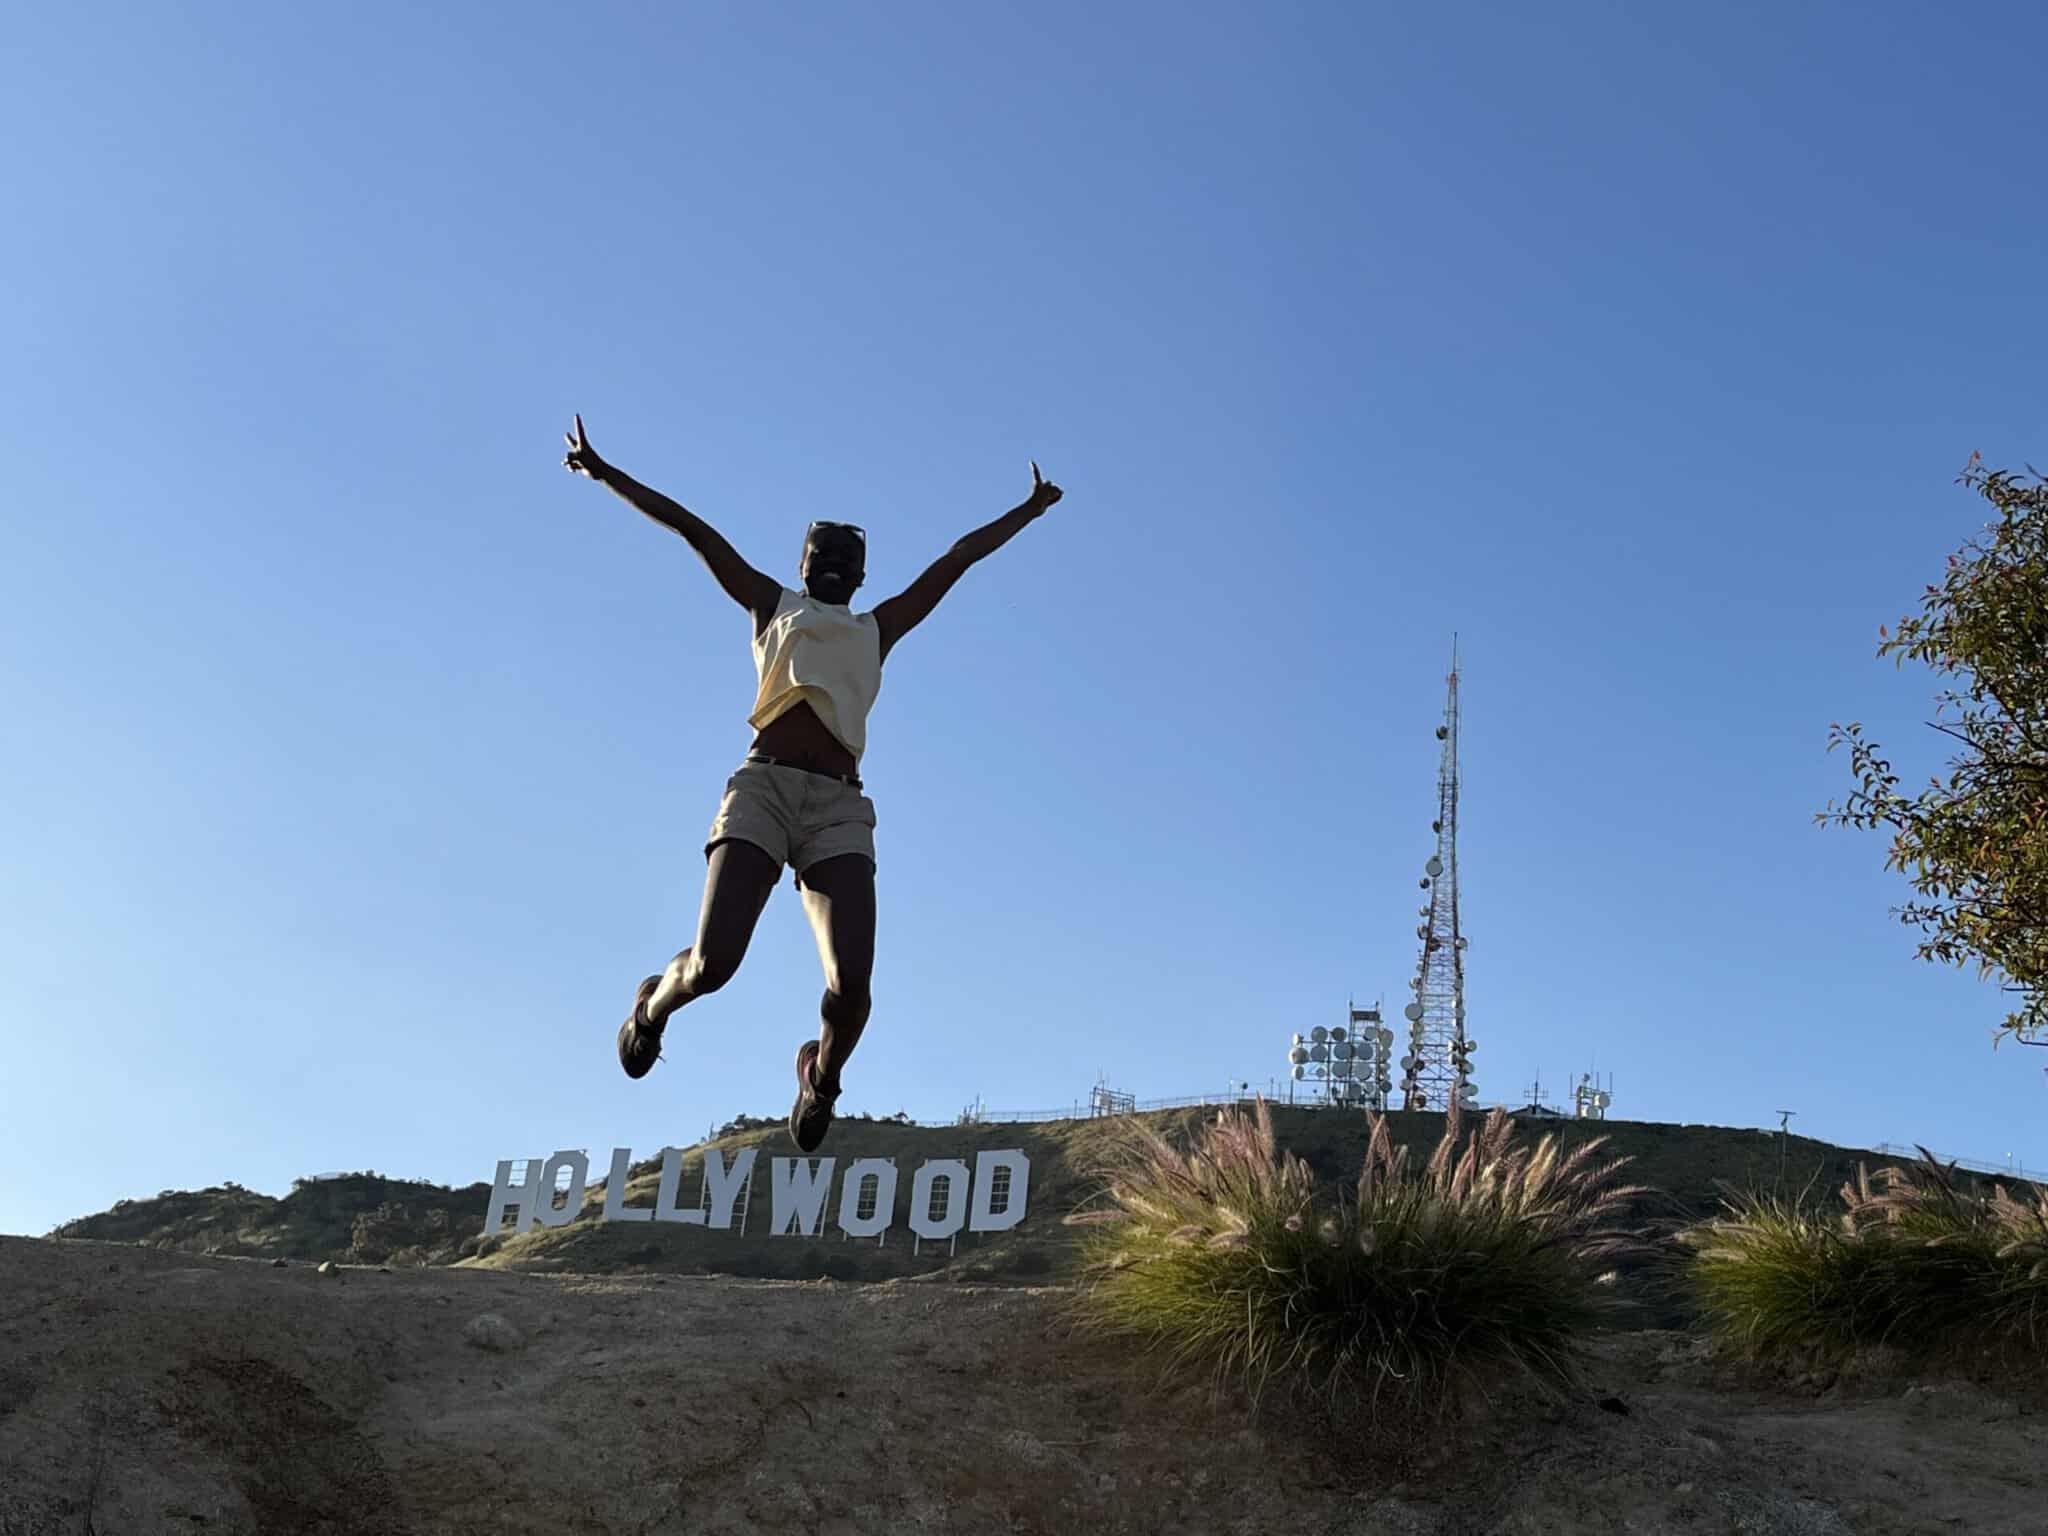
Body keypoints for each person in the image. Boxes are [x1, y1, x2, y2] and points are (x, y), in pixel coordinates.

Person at [561, 416, 1063, 1151]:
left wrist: (1027, 510)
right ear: (801, 565)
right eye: (819, 553)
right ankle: (652, 1008)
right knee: (714, 964)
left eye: (844, 558)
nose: (830, 563)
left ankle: (819, 1078)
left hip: (837, 807)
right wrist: (608, 475)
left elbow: (956, 561)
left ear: (861, 576)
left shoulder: (877, 629)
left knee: (852, 988)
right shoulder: (774, 607)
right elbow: (696, 532)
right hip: (762, 790)